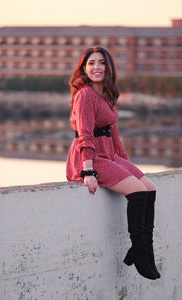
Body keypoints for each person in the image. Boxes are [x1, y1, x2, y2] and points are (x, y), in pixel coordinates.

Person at [66, 46, 160, 280]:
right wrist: (88, 170)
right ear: (84, 69)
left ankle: (145, 248)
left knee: (149, 186)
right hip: (90, 157)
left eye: (101, 63)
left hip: (109, 154)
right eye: (91, 63)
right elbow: (85, 133)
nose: (96, 67)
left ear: (108, 68)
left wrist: (125, 163)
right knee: (137, 192)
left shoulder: (105, 94)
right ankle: (138, 251)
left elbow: (112, 131)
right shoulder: (85, 95)